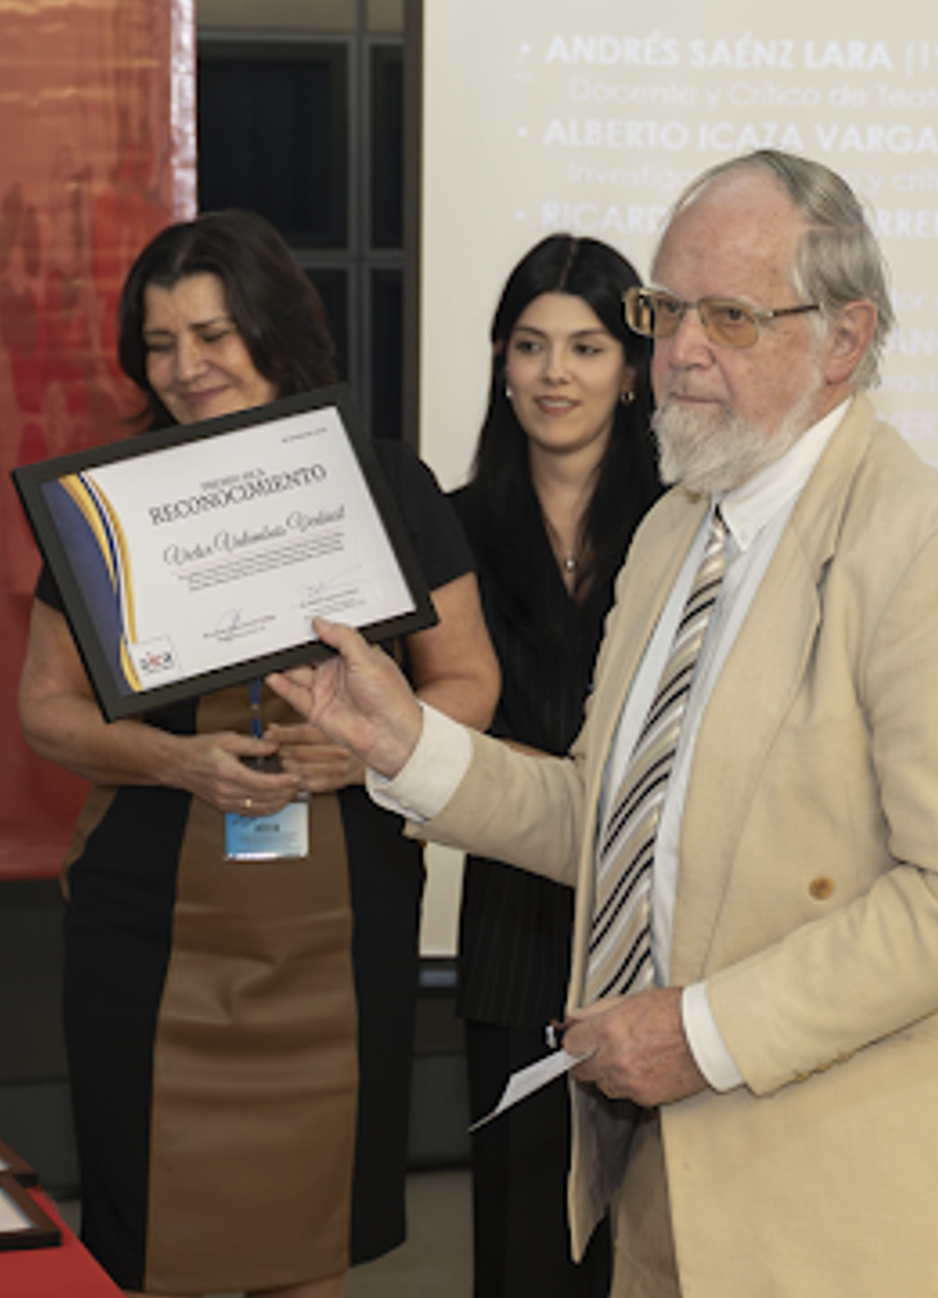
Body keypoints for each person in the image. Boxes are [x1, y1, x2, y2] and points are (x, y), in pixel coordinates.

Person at [270, 150, 938, 1298]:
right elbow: (615, 818)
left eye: (729, 316)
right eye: (665, 308)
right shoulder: (677, 532)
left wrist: (701, 1030)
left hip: (857, 1225)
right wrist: (409, 746)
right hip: (667, 1194)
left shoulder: (936, 550)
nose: (679, 351)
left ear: (844, 339)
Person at [15, 209, 500, 1298]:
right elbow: (44, 710)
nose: (186, 366)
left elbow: (468, 678)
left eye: (214, 333)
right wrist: (177, 762)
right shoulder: (111, 507)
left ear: (276, 331)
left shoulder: (383, 483)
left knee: (307, 1231)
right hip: (146, 921)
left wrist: (375, 750)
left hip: (340, 917)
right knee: (161, 1234)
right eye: (159, 342)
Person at [454, 233, 662, 1298]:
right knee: (527, 1246)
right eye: (530, 344)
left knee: (660, 1240)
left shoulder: (688, 525)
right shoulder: (451, 527)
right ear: (500, 361)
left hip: (659, 924)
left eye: (585, 347)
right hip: (513, 926)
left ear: (632, 369)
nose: (554, 373)